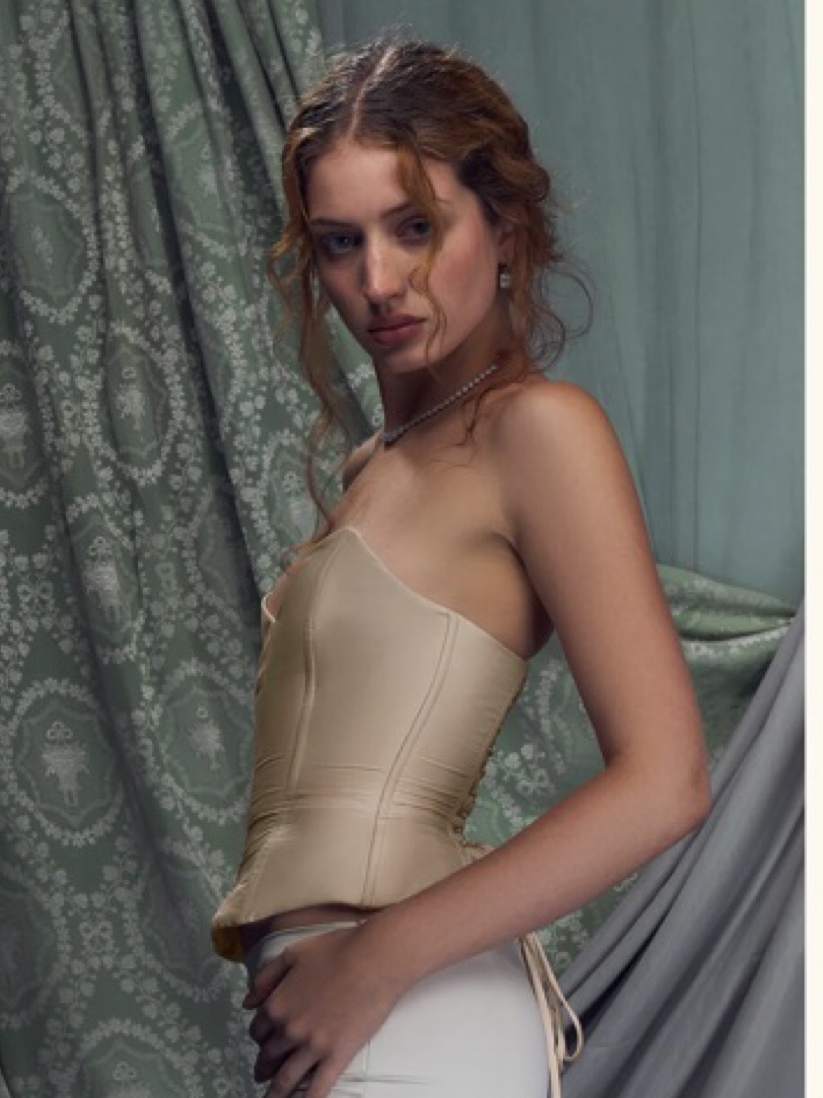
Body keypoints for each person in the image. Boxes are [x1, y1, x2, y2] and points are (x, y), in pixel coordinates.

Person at [211, 36, 711, 1098]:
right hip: (350, 1021)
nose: (376, 281)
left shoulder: (537, 431)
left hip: (413, 1011)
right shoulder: (376, 462)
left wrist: (371, 963)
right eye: (340, 242)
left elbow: (666, 780)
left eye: (416, 228)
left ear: (504, 230)